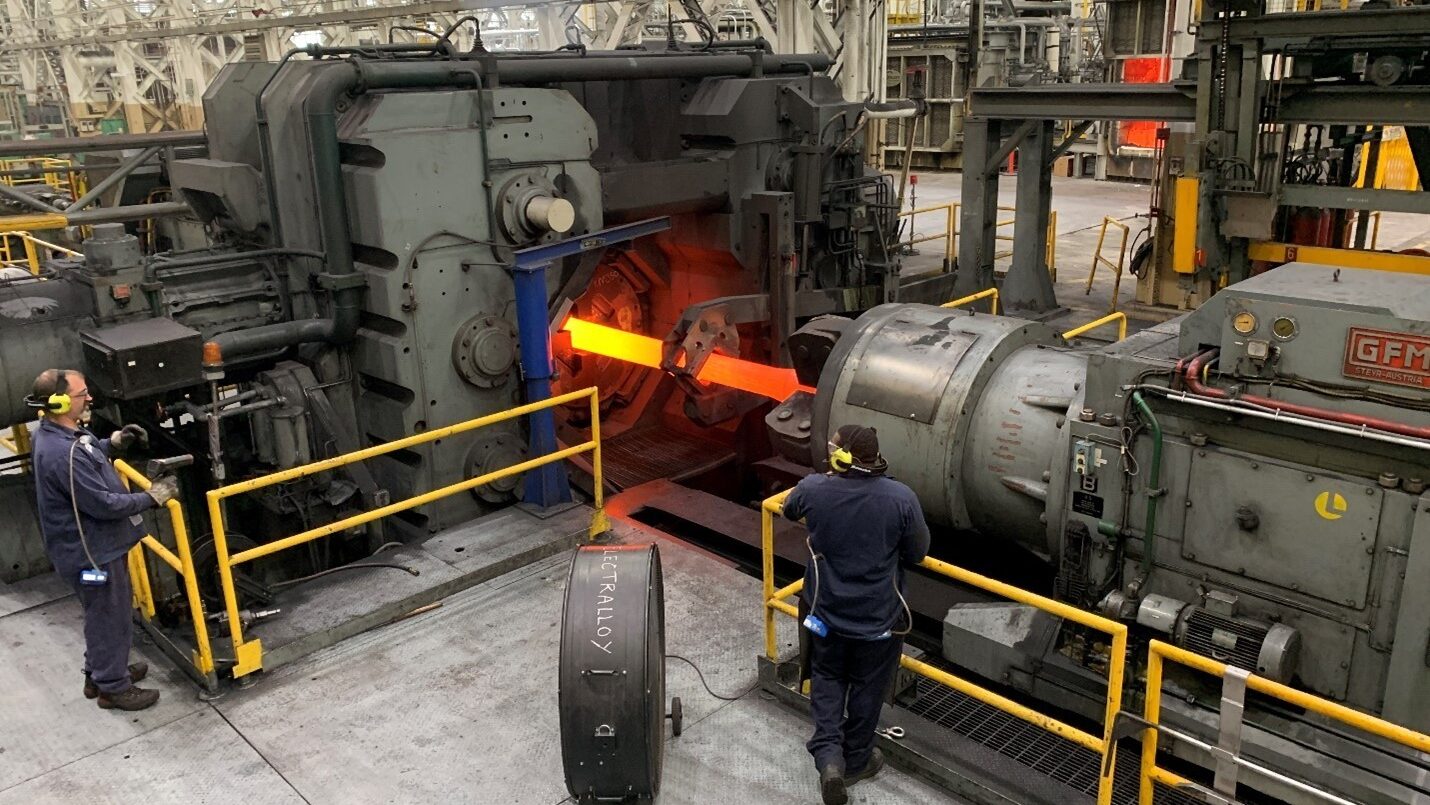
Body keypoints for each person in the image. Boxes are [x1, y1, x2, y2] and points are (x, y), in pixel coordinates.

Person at [782, 424, 930, 805]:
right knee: (868, 690)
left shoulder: (815, 488)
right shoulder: (901, 498)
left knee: (828, 681)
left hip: (826, 616)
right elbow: (917, 552)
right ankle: (857, 761)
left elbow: (789, 509)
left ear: (842, 456)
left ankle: (829, 758)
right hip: (877, 624)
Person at [26, 368, 178, 711]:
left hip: (87, 548)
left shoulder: (53, 434)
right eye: (82, 394)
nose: (89, 398)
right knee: (110, 613)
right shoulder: (61, 453)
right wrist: (152, 497)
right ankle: (113, 688)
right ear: (61, 401)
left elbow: (85, 451)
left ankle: (100, 674)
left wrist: (113, 442)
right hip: (93, 552)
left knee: (101, 613)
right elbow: (104, 504)